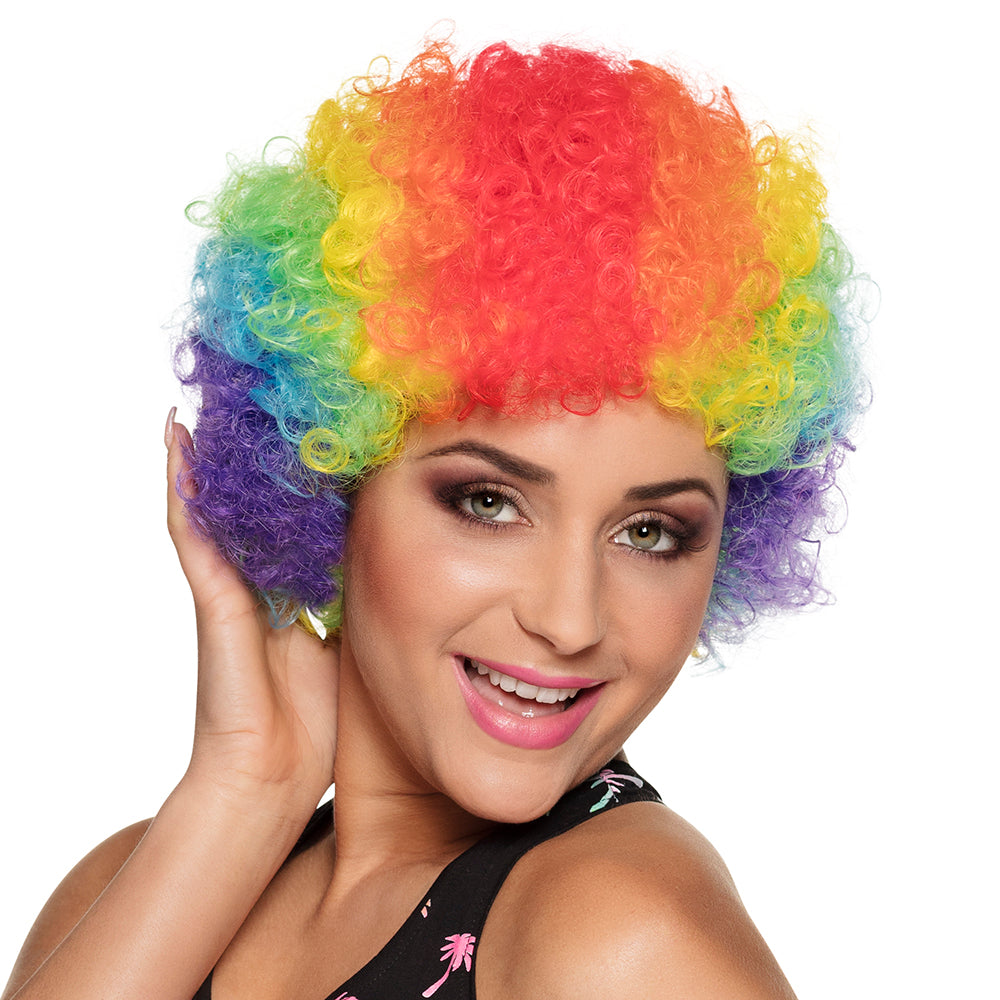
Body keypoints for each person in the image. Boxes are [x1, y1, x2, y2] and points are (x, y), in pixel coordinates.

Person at [3, 38, 865, 1000]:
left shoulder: (620, 934)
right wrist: (245, 788)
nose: (570, 621)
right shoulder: (137, 884)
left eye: (650, 532)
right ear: (327, 484)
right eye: (489, 503)